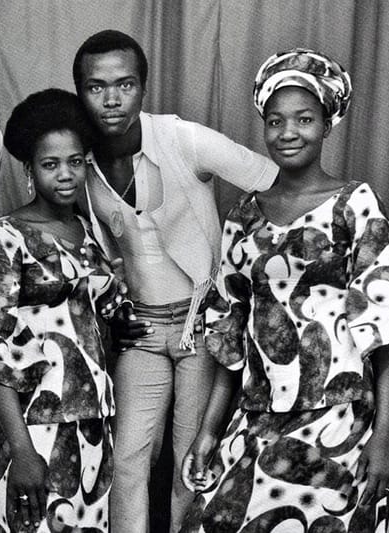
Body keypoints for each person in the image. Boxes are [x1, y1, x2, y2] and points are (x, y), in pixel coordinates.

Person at [180, 49, 389, 532]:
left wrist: (385, 438)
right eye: (276, 120)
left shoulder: (355, 205)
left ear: (327, 124)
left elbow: (385, 338)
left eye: (304, 119)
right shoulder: (243, 215)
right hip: (258, 413)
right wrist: (208, 431)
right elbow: (231, 341)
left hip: (339, 422)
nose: (288, 132)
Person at [72, 29, 279, 532]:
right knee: (127, 459)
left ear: (143, 87)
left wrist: (241, 270)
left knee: (192, 461)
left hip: (200, 327)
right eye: (96, 87)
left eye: (124, 84)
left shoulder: (181, 137)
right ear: (80, 92)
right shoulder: (80, 161)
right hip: (139, 330)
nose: (112, 98)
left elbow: (271, 179)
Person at [0, 88, 123, 533]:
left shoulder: (87, 232)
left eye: (75, 162)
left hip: (93, 425)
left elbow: (99, 323)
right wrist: (21, 450)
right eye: (51, 164)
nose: (65, 175)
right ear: (29, 170)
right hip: (35, 426)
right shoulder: (4, 238)